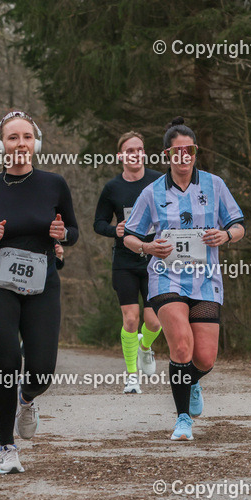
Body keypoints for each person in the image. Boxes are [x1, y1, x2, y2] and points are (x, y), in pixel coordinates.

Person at [0, 110, 78, 474]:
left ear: (36, 143)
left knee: (42, 371)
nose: (20, 143)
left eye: (26, 136)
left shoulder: (54, 184)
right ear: (1, 145)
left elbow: (73, 231)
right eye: (12, 137)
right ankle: (7, 447)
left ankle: (27, 398)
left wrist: (62, 235)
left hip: (43, 283)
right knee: (7, 365)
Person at [124, 117, 245, 441]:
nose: (183, 156)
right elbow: (129, 236)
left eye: (188, 150)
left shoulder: (214, 185)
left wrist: (226, 235)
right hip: (166, 278)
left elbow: (238, 225)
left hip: (205, 280)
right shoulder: (151, 193)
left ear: (195, 152)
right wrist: (148, 246)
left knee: (205, 357)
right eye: (176, 151)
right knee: (180, 344)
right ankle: (182, 420)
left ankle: (190, 381)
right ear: (167, 155)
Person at [94, 132, 164, 394]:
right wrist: (116, 230)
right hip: (125, 260)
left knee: (154, 322)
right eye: (130, 150)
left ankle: (145, 347)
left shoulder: (159, 181)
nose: (136, 154)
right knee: (131, 319)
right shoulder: (112, 188)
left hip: (156, 259)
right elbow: (98, 223)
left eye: (140, 149)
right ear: (120, 156)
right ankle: (132, 376)